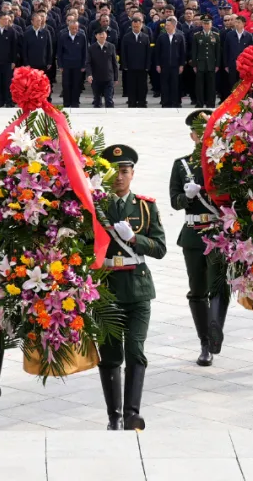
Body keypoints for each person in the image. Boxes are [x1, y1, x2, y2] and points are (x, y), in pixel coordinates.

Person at [98, 144, 166, 431]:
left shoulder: (145, 206)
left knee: (136, 351)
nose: (119, 177)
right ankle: (114, 417)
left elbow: (160, 248)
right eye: (114, 172)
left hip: (138, 288)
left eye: (124, 171)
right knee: (110, 354)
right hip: (107, 289)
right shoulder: (96, 207)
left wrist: (135, 239)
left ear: (132, 174)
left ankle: (131, 414)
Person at [169, 110, 229, 367]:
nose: (203, 137)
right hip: (193, 234)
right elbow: (175, 201)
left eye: (208, 132)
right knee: (197, 291)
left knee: (218, 285)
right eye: (199, 133)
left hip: (217, 232)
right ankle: (204, 342)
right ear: (193, 136)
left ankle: (214, 333)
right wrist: (188, 197)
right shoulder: (182, 165)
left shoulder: (225, 162)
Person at [119, 15, 151, 108]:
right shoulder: (126, 37)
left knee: (142, 86)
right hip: (130, 67)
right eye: (134, 27)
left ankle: (142, 102)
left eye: (137, 26)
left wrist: (147, 65)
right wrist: (124, 65)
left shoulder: (145, 37)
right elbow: (123, 52)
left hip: (142, 67)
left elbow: (148, 52)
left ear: (141, 25)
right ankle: (132, 102)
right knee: (131, 86)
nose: (136, 28)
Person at [0, 14, 18, 108]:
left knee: (8, 82)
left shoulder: (11, 31)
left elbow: (14, 47)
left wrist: (13, 61)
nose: (6, 21)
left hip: (7, 62)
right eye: (4, 19)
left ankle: (8, 101)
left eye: (8, 19)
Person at [155, 16, 185, 108]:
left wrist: (181, 65)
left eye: (168, 25)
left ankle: (175, 102)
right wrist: (158, 64)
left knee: (175, 84)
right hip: (164, 65)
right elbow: (157, 52)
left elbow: (182, 52)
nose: (166, 27)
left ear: (174, 26)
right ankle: (165, 102)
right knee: (164, 84)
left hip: (176, 65)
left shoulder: (180, 36)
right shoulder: (161, 37)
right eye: (166, 25)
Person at [57, 18, 87, 109]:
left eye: (76, 28)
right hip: (66, 65)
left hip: (78, 65)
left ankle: (75, 102)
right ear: (69, 28)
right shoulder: (63, 36)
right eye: (72, 28)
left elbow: (84, 51)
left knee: (76, 84)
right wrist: (60, 65)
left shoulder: (82, 36)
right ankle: (66, 102)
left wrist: (83, 65)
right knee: (66, 84)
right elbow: (59, 52)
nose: (74, 30)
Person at [191, 15, 220, 108]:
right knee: (199, 85)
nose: (206, 25)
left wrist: (217, 64)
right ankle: (199, 103)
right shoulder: (197, 35)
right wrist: (194, 65)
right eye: (204, 23)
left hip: (211, 64)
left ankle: (210, 103)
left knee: (211, 85)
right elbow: (194, 51)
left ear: (211, 24)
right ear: (202, 24)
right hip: (200, 64)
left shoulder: (216, 35)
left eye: (208, 23)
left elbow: (218, 52)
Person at [87, 27, 118, 108]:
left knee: (109, 100)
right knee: (97, 101)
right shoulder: (91, 48)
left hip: (108, 78)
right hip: (96, 78)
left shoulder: (111, 46)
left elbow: (114, 63)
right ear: (96, 36)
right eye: (99, 34)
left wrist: (116, 78)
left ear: (106, 35)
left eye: (103, 34)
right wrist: (89, 75)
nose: (101, 36)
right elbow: (88, 63)